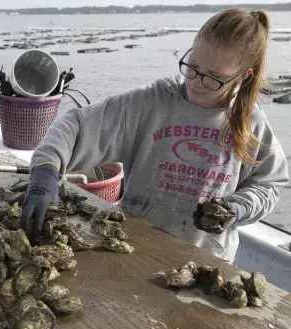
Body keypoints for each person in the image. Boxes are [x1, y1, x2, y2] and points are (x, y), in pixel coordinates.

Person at [21, 8, 289, 262]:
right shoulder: (150, 104)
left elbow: (268, 184)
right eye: (192, 67)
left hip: (207, 260)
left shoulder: (251, 123)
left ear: (243, 77)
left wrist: (239, 208)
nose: (195, 82)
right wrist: (45, 169)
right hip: (136, 249)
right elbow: (74, 125)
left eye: (213, 78)